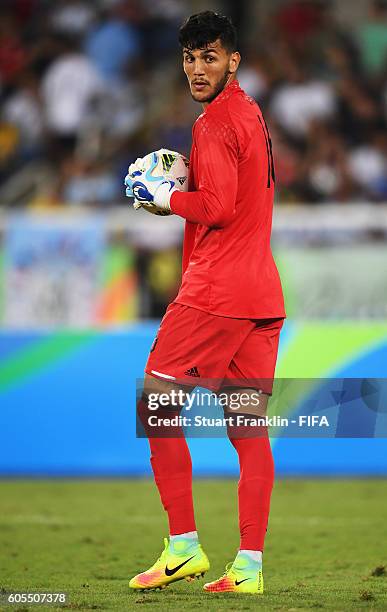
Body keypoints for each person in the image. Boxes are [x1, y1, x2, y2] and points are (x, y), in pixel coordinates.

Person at [125, 10, 285, 595]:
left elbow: (215, 207)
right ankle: (248, 567)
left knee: (157, 404)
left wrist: (168, 198)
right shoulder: (252, 114)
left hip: (216, 292)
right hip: (261, 293)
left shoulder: (216, 122)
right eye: (190, 58)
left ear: (233, 61)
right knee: (247, 428)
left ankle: (184, 546)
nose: (197, 69)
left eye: (209, 57)